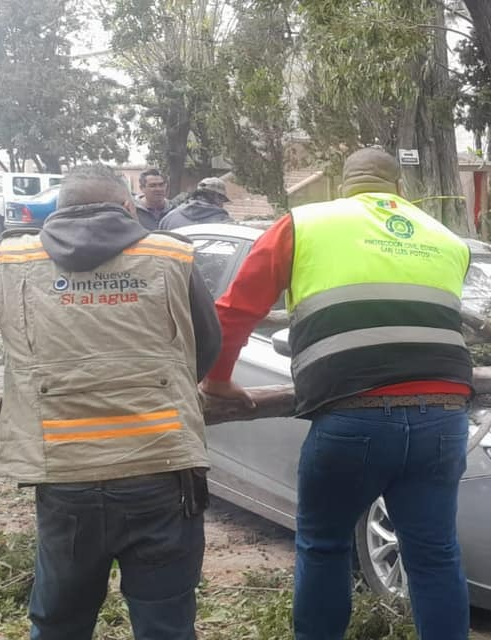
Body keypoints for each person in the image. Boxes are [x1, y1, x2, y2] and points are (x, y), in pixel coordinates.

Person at [199, 147, 473, 640]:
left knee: (324, 545)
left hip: (354, 418)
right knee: (434, 554)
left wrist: (217, 380)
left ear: (344, 186)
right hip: (444, 416)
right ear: (399, 190)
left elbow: (234, 310)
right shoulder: (448, 239)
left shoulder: (305, 223)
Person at [0, 164, 222, 638]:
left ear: (57, 212)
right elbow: (206, 345)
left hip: (64, 472)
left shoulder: (11, 262)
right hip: (161, 469)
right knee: (166, 624)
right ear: (127, 206)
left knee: (59, 622)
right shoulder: (170, 255)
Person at [159, 177, 234, 230]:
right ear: (217, 197)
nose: (222, 205)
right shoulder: (224, 224)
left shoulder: (169, 219)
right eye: (222, 200)